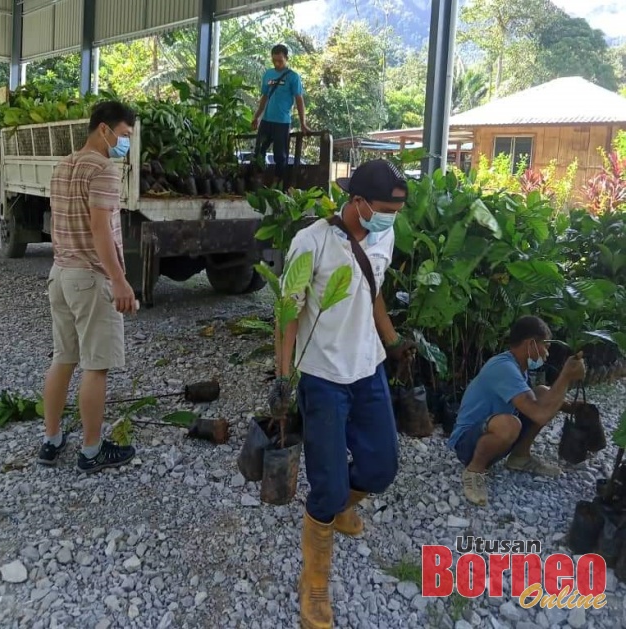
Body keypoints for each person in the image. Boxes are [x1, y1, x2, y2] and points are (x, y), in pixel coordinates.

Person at [269, 159, 415, 629]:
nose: (392, 218)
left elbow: (371, 293)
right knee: (327, 487)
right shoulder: (309, 243)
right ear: (358, 202)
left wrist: (392, 343)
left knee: (382, 467)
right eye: (386, 209)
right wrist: (283, 378)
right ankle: (314, 584)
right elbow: (288, 314)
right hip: (323, 378)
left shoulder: (383, 235)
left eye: (397, 210)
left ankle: (343, 507)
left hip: (367, 370)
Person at [38, 101, 138, 474]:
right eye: (124, 135)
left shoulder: (63, 166)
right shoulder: (103, 169)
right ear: (104, 130)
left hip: (61, 274)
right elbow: (100, 231)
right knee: (97, 367)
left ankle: (51, 441)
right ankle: (92, 451)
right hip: (91, 279)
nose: (125, 143)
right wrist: (119, 280)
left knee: (63, 358)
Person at [447, 316, 586, 507]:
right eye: (545, 346)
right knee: (510, 424)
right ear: (531, 344)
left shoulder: (517, 366)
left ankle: (520, 457)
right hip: (467, 444)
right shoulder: (503, 368)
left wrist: (568, 405)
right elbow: (540, 414)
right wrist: (566, 376)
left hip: (486, 433)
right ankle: (474, 471)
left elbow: (536, 402)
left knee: (543, 393)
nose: (546, 354)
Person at [252, 44, 309, 183]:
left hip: (282, 122)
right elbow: (264, 97)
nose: (277, 64)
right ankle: (258, 180)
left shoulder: (293, 77)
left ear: (286, 59)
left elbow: (299, 100)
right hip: (266, 120)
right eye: (274, 61)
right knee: (259, 151)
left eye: (280, 61)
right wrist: (257, 117)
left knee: (280, 156)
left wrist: (303, 123)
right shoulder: (268, 74)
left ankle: (278, 184)